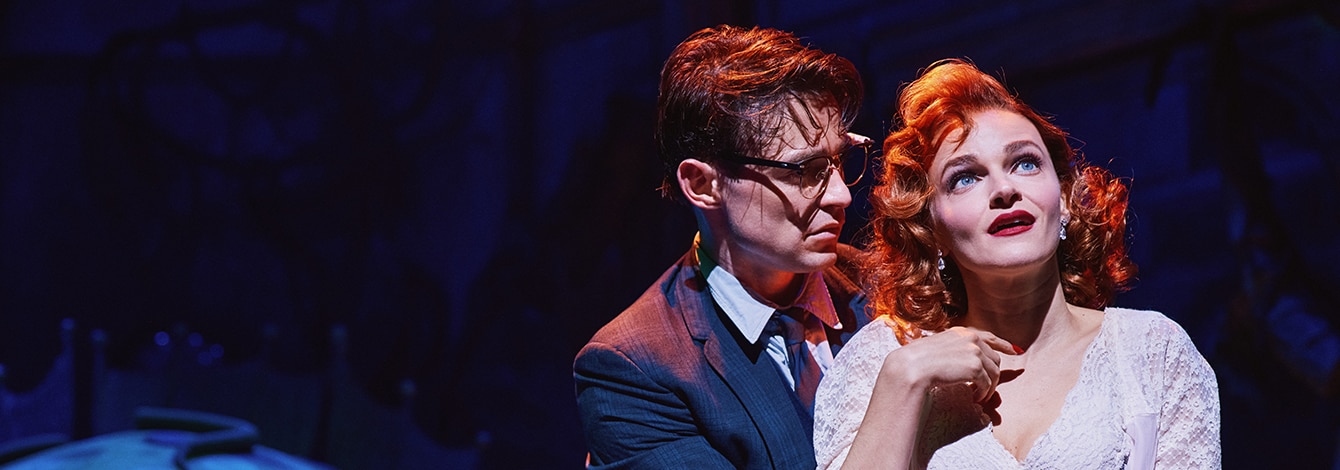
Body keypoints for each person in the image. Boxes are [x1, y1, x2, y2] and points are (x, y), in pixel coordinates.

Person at [812, 59, 1220, 469]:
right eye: (965, 177)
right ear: (929, 229)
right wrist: (905, 379)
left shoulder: (1151, 352)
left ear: (1064, 198)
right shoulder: (884, 359)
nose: (1004, 189)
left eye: (1025, 163)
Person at [574, 25, 873, 469]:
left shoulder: (888, 284)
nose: (841, 195)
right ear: (702, 184)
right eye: (803, 171)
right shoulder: (634, 370)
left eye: (838, 161)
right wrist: (900, 392)